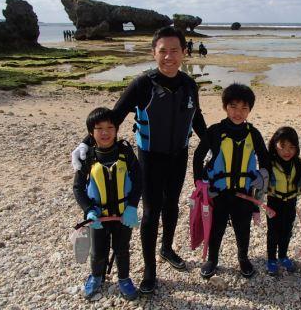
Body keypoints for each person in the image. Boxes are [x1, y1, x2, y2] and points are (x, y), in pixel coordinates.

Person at [71, 26, 207, 294]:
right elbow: (115, 115)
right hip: (149, 159)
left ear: (184, 52)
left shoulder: (190, 84)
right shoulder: (143, 84)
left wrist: (214, 141)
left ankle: (167, 249)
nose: (169, 56)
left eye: (175, 50)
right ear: (153, 52)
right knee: (151, 212)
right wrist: (85, 143)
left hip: (179, 156)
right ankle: (149, 271)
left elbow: (197, 117)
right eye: (163, 51)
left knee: (172, 207)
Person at [193, 83, 270, 279]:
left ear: (250, 110)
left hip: (243, 193)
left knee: (242, 228)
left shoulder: (254, 134)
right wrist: (199, 182)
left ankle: (243, 258)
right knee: (216, 228)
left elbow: (265, 159)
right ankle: (212, 259)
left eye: (244, 108)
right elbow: (198, 155)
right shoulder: (215, 131)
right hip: (218, 192)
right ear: (225, 107)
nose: (238, 112)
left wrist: (262, 179)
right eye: (233, 106)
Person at [72, 107, 142, 301]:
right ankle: (95, 276)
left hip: (123, 215)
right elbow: (77, 188)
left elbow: (138, 181)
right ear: (91, 133)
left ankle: (124, 279)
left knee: (122, 250)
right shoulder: (87, 158)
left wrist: (132, 207)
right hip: (98, 217)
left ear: (116, 130)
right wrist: (88, 211)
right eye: (99, 128)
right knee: (98, 251)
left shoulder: (126, 154)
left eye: (110, 127)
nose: (105, 132)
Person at [265, 126, 301, 276]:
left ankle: (283, 255)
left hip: (290, 203)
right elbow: (261, 186)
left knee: (287, 231)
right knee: (273, 232)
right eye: (283, 147)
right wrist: (255, 207)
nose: (287, 151)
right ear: (275, 145)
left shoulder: (299, 164)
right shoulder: (269, 164)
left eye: (291, 147)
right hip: (274, 203)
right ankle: (271, 259)